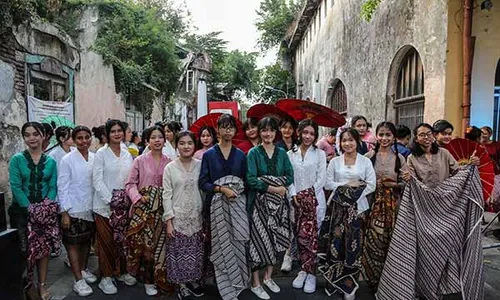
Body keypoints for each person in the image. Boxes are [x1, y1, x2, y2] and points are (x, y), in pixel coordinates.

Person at [377, 123, 484, 300]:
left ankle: (444, 285)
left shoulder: (444, 153)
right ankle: (424, 287)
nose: (426, 138)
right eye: (421, 135)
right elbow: (410, 182)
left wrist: (471, 166)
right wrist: (407, 178)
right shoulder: (411, 158)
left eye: (429, 134)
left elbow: (458, 174)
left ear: (433, 136)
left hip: (447, 208)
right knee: (425, 251)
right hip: (424, 210)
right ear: (416, 138)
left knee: (448, 248)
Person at [320, 128, 376, 300]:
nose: (348, 143)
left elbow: (371, 185)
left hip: (357, 210)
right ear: (340, 142)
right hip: (337, 210)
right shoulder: (335, 162)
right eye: (344, 140)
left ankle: (349, 286)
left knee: (353, 247)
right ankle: (334, 281)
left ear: (357, 141)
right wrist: (350, 184)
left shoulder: (365, 162)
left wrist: (351, 191)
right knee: (336, 245)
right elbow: (327, 183)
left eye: (351, 140)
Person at [199, 114, 250, 300]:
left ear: (235, 131)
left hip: (237, 207)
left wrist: (238, 189)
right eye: (224, 127)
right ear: (218, 130)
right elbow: (203, 182)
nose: (227, 131)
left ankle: (237, 284)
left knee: (237, 244)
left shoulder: (241, 155)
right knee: (220, 246)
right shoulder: (209, 155)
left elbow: (246, 181)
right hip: (217, 208)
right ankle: (225, 288)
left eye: (231, 127)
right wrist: (221, 189)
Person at [9, 122, 58, 300]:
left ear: (43, 135)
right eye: (27, 135)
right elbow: (15, 186)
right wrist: (30, 208)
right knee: (24, 251)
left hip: (44, 215)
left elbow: (53, 186)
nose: (32, 138)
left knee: (43, 251)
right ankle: (26, 284)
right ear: (24, 138)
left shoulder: (51, 161)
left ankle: (42, 285)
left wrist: (45, 207)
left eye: (35, 134)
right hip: (21, 214)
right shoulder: (17, 160)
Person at [247, 117, 294, 300]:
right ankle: (255, 282)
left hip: (279, 206)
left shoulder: (282, 153)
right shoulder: (253, 153)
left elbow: (289, 176)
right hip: (259, 205)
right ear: (260, 132)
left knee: (275, 240)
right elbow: (251, 179)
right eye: (264, 130)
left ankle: (268, 277)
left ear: (276, 133)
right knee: (258, 242)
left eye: (272, 131)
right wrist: (273, 186)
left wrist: (269, 181)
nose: (268, 134)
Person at [125, 125, 172, 296]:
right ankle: (141, 276)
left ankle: (154, 278)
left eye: (160, 137)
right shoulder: (139, 161)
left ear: (165, 140)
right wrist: (139, 198)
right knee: (142, 246)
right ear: (147, 141)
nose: (157, 140)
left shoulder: (170, 162)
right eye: (153, 137)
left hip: (161, 211)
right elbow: (130, 184)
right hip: (143, 211)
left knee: (158, 248)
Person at [92, 119, 136, 295]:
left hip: (124, 206)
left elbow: (130, 178)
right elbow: (97, 180)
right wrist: (111, 200)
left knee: (122, 241)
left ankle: (121, 272)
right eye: (113, 131)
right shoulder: (101, 154)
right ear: (107, 134)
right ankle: (106, 277)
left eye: (120, 131)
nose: (117, 134)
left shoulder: (127, 153)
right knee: (106, 242)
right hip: (105, 206)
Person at [361, 122, 406, 290]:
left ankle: (390, 280)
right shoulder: (368, 157)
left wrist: (393, 185)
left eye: (388, 135)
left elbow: (405, 183)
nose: (384, 138)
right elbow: (362, 181)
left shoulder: (400, 158)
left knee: (391, 242)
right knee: (373, 241)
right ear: (376, 136)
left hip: (394, 207)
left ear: (393, 137)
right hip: (372, 206)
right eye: (381, 135)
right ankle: (373, 278)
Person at [163, 131, 205, 300]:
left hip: (196, 216)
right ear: (176, 145)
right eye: (182, 143)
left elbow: (203, 190)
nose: (186, 146)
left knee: (195, 252)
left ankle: (193, 281)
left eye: (189, 143)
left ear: (194, 145)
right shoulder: (170, 168)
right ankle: (181, 285)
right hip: (178, 217)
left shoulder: (200, 165)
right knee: (178, 253)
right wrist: (169, 221)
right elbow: (166, 195)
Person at [287, 119, 326, 294]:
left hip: (315, 201)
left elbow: (321, 179)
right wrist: (294, 194)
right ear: (299, 133)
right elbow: (289, 178)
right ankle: (303, 269)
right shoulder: (290, 154)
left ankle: (312, 273)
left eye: (312, 133)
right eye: (305, 132)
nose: (308, 136)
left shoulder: (320, 154)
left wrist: (307, 195)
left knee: (313, 239)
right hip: (296, 203)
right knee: (301, 238)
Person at [58, 126, 98, 297]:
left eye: (86, 137)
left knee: (85, 243)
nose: (84, 141)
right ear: (74, 140)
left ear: (91, 139)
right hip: (73, 209)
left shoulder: (95, 158)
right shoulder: (67, 160)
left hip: (90, 208)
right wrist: (64, 212)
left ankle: (83, 270)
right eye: (79, 138)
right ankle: (77, 280)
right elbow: (62, 186)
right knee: (73, 244)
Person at [480, 126, 500, 212]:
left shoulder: (496, 145)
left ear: (490, 134)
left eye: (485, 133)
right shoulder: (478, 145)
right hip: (482, 173)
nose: (483, 135)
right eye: (481, 133)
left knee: (495, 195)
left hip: (495, 172)